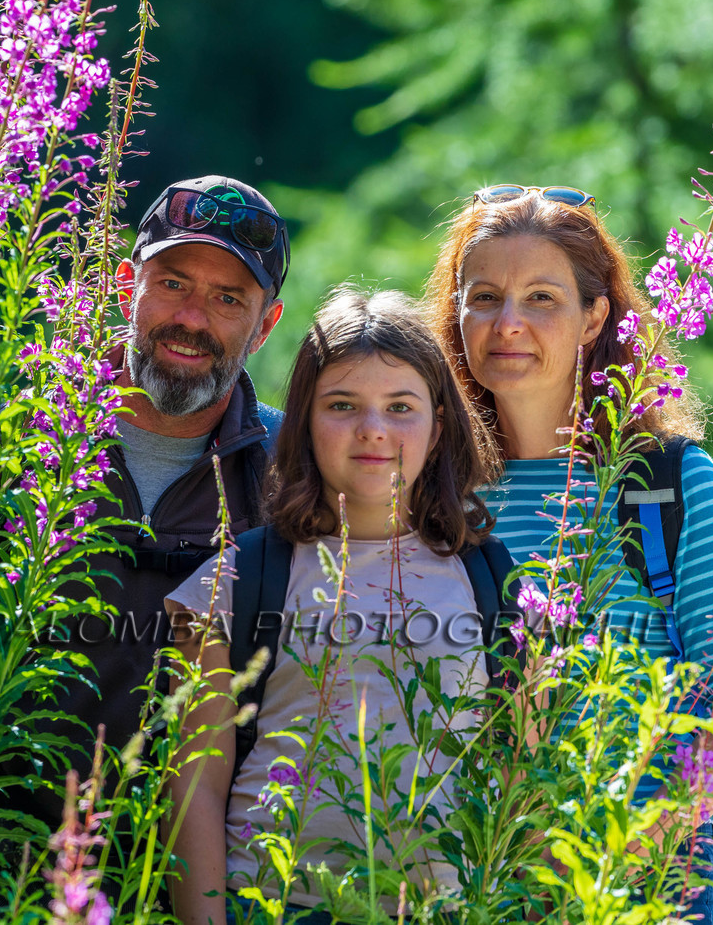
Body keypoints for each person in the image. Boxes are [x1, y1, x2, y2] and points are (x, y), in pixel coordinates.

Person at [423, 184, 713, 922]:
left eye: (542, 299)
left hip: (643, 882)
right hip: (471, 878)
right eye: (484, 296)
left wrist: (620, 851)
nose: (508, 323)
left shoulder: (664, 483)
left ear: (595, 316)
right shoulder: (431, 492)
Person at [163, 289, 504, 925]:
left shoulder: (495, 582)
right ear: (302, 422)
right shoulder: (238, 580)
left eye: (401, 406)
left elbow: (527, 780)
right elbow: (197, 788)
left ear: (439, 424)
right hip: (268, 904)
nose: (373, 428)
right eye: (342, 405)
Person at [16, 176, 289, 825]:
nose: (192, 320)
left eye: (228, 298)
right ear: (123, 285)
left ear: (265, 325)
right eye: (172, 284)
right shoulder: (16, 432)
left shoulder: (293, 474)